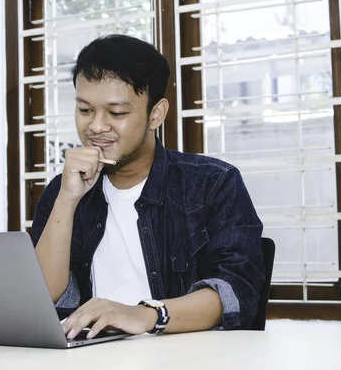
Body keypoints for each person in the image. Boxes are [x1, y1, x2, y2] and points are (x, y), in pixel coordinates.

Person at [31, 34, 265, 339]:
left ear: (156, 114)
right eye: (85, 110)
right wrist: (68, 197)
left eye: (116, 113)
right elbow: (42, 297)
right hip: (91, 357)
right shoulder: (62, 190)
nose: (96, 126)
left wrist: (144, 315)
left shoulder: (212, 184)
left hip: (182, 358)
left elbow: (235, 290)